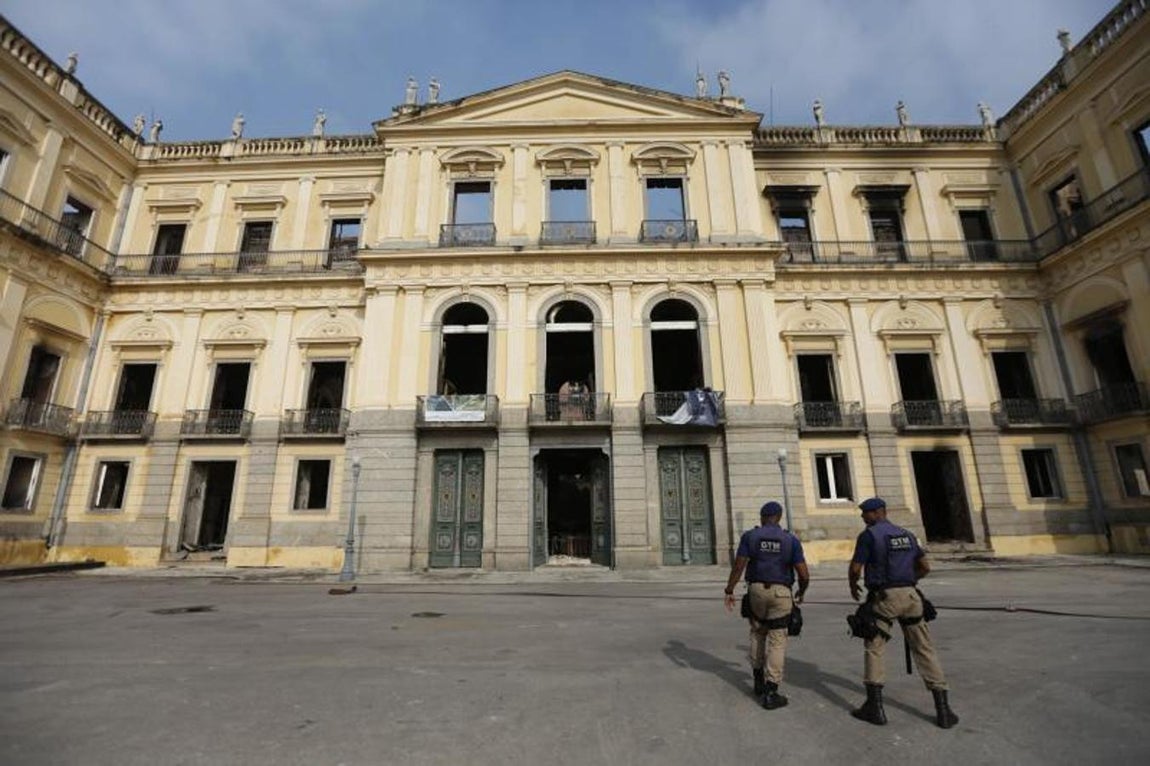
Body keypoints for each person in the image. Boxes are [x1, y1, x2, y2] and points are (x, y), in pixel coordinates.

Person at [848, 497, 959, 729]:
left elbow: (856, 568)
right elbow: (925, 566)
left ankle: (874, 707)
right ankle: (943, 709)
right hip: (911, 596)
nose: (863, 517)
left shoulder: (869, 536)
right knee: (924, 648)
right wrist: (909, 583)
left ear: (879, 512)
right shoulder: (907, 535)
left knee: (875, 647)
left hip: (885, 597)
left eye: (866, 513)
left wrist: (853, 585)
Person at [724, 501, 809, 710]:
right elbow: (803, 574)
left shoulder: (750, 537)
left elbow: (739, 566)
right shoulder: (790, 540)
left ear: (762, 517)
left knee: (757, 633)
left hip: (756, 591)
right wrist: (801, 590)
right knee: (777, 641)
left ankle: (758, 681)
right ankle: (772, 692)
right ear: (779, 517)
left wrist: (729, 589)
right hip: (781, 592)